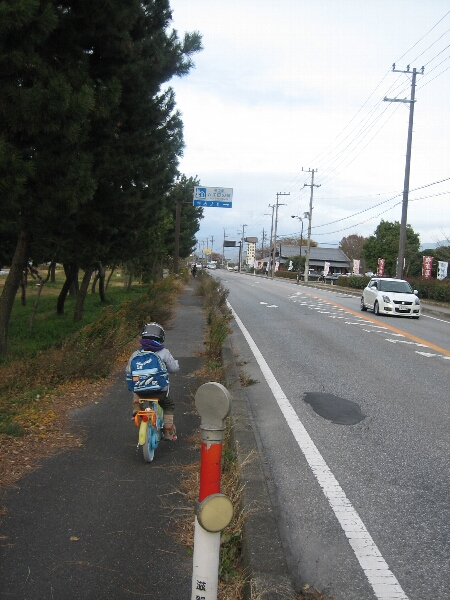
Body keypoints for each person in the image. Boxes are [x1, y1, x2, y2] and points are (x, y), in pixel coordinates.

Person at [126, 322, 180, 441]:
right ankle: (168, 431)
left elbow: (128, 370)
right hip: (160, 391)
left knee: (136, 393)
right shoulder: (164, 352)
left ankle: (137, 410)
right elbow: (174, 369)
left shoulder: (136, 354)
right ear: (161, 338)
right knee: (168, 405)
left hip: (141, 392)